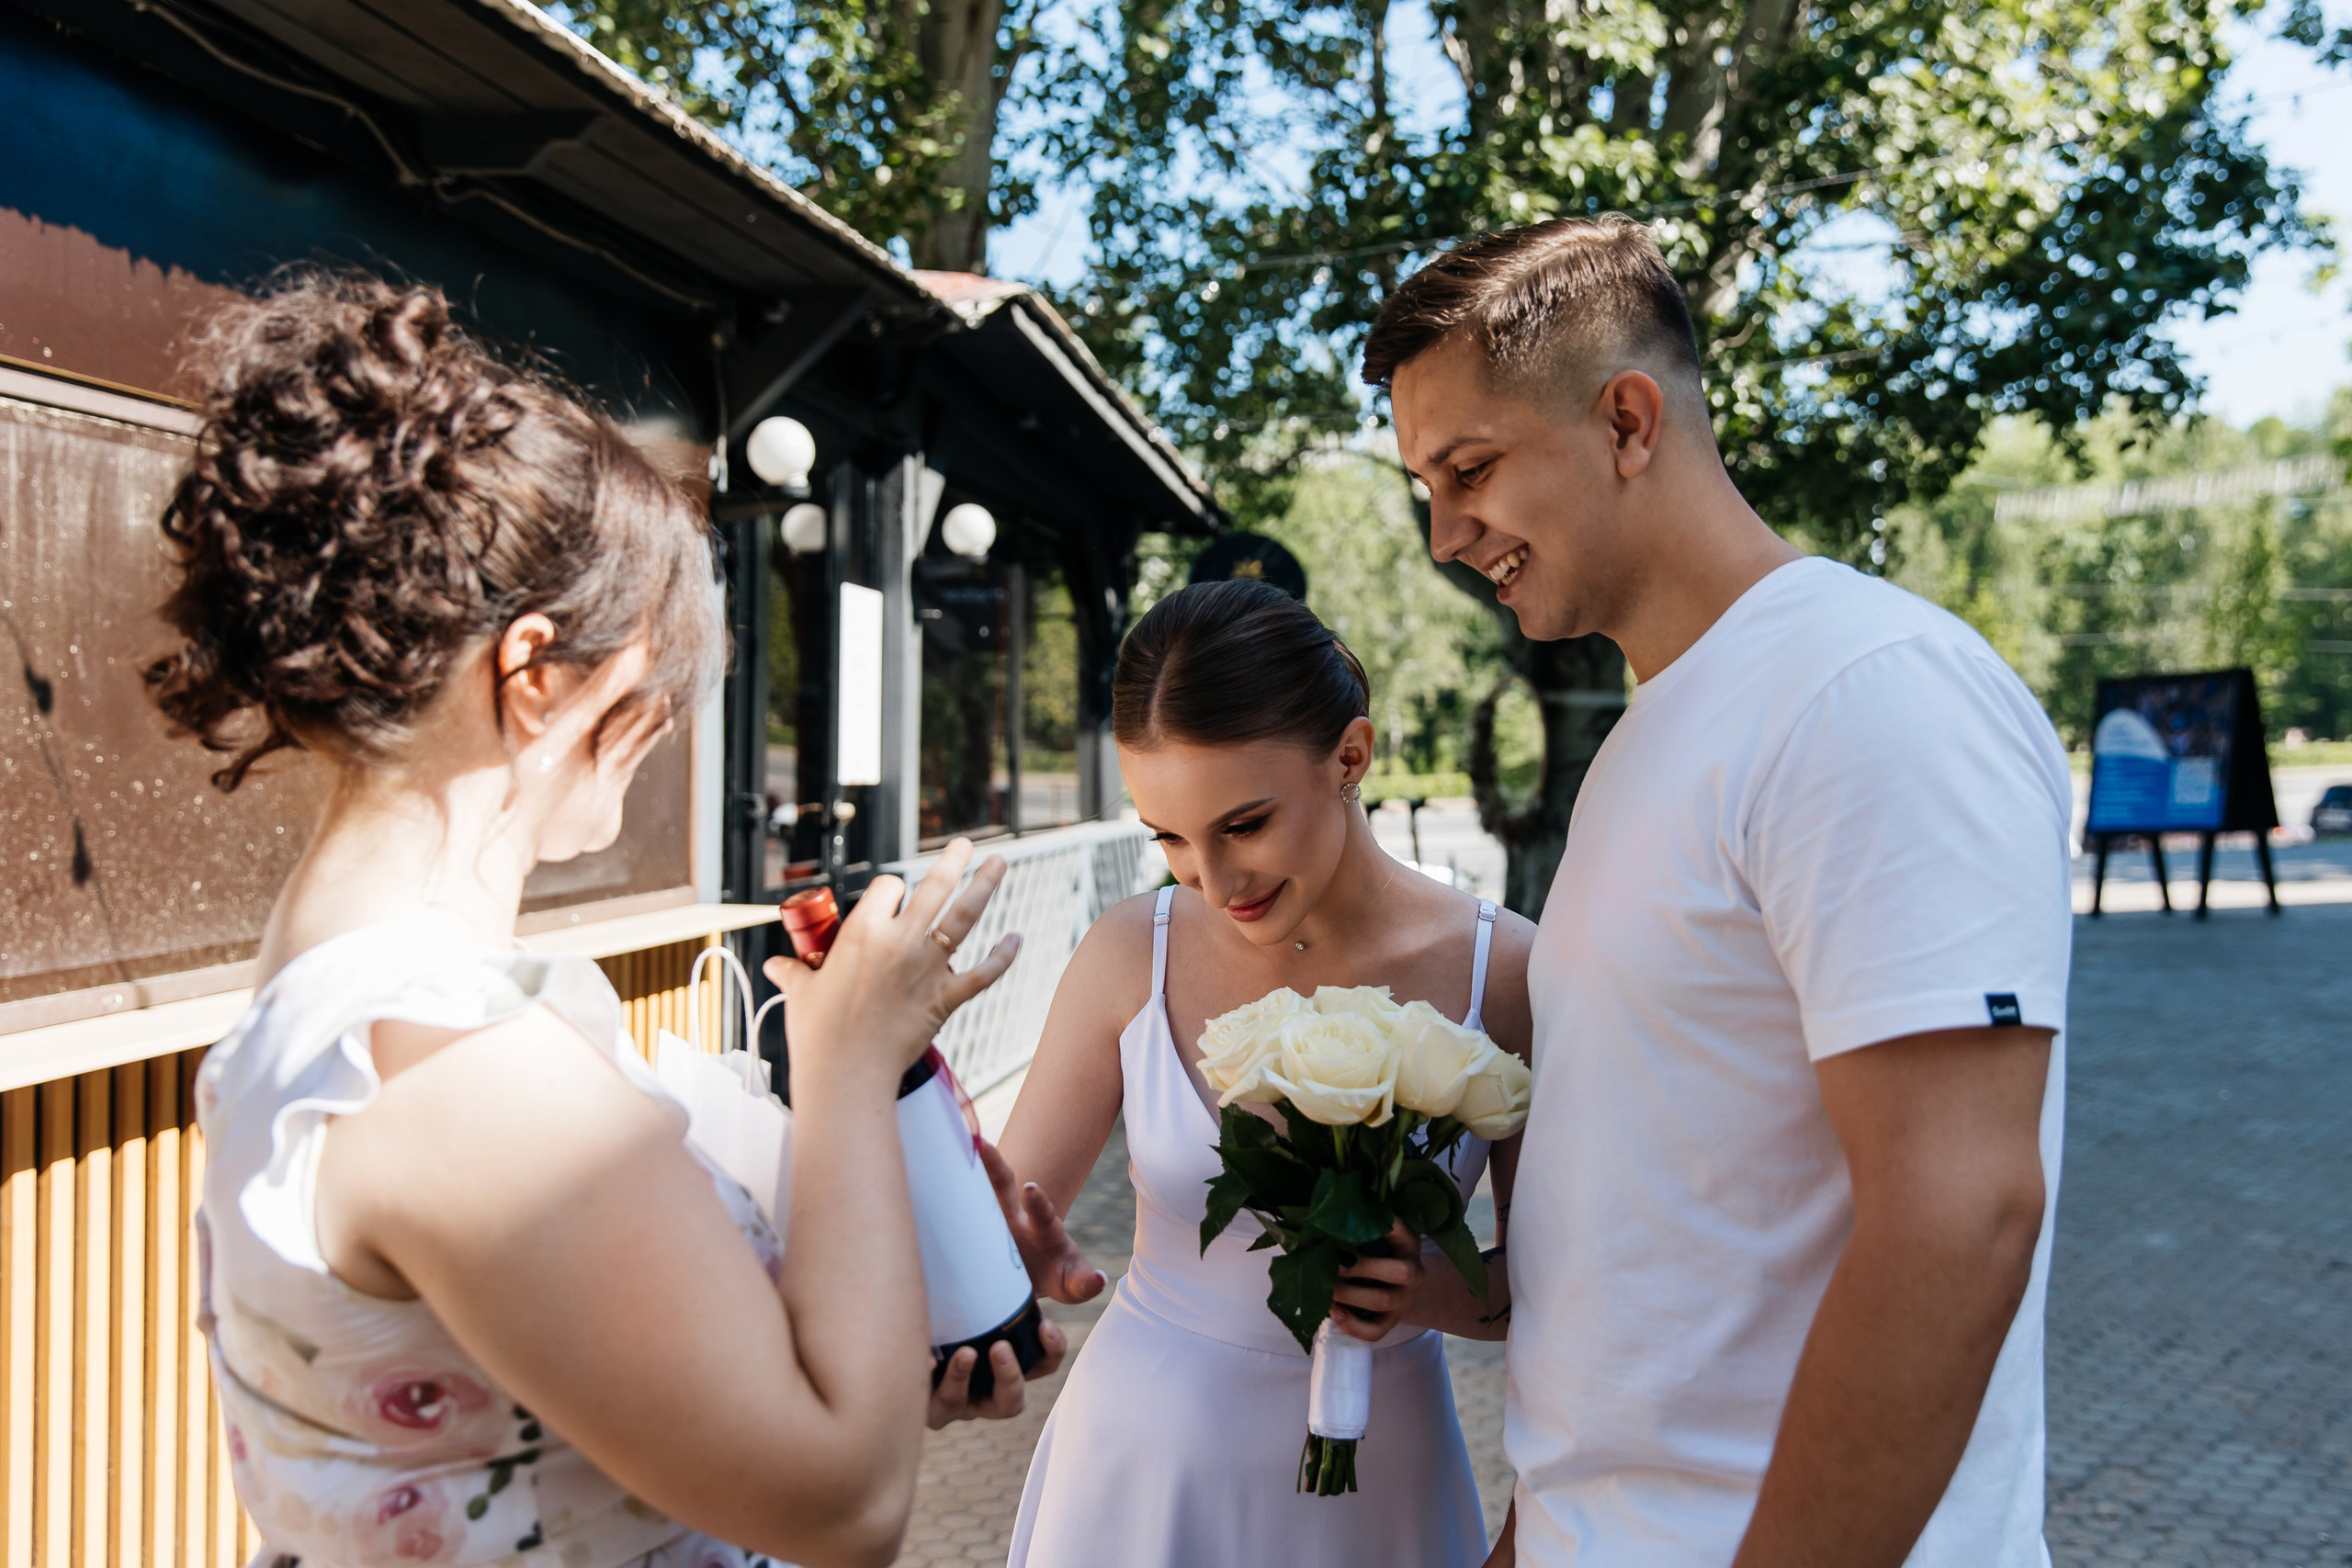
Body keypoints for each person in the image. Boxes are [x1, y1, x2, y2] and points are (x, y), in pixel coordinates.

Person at [148, 275, 1053, 1568]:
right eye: (655, 674)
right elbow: (844, 1504)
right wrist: (849, 1059)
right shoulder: (455, 1069)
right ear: (533, 674)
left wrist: (873, 1292)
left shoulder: (353, 1009)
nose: (673, 722)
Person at [1365, 215, 2074, 1568]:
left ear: (1629, 418)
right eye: (1424, 484)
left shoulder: (1868, 693)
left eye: (1470, 468)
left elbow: (1961, 1211)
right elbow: (1642, 1237)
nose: (1447, 534)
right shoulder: (1652, 736)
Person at [995, 579, 1535, 1567]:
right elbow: (1011, 1223)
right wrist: (1005, 1272)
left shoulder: (1503, 974)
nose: (1209, 879)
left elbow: (1568, 1295)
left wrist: (1423, 1293)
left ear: (1350, 757)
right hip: (1142, 1473)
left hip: (1380, 1483)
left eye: (1243, 824)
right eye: (1167, 836)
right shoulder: (1130, 952)